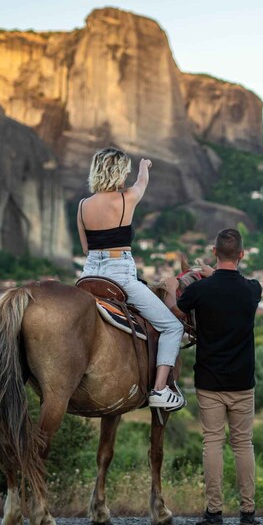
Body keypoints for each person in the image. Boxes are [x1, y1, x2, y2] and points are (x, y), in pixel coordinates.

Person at [164, 229, 262, 525]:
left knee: (213, 444)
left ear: (213, 252)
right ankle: (247, 513)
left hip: (209, 380)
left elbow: (175, 310)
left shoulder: (201, 291)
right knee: (244, 444)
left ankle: (214, 513)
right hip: (243, 381)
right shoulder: (253, 289)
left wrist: (170, 287)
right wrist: (215, 273)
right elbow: (235, 281)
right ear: (242, 255)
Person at [77, 147, 184, 410]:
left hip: (89, 274)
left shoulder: (82, 205)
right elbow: (142, 183)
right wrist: (144, 166)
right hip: (119, 275)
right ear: (119, 172)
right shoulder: (126, 199)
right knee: (173, 327)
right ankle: (159, 390)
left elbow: (85, 249)